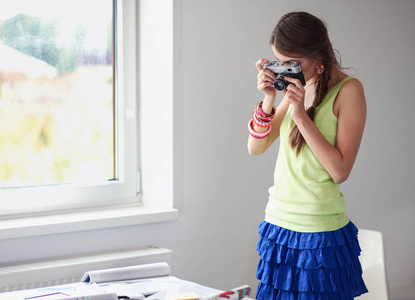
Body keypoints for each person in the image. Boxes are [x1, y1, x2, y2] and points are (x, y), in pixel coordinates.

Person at [248, 11, 368, 299]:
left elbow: (340, 171)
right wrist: (269, 99)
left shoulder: (348, 90)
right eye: (281, 62)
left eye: (293, 63)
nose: (287, 70)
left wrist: (301, 115)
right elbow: (255, 147)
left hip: (320, 232)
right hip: (278, 226)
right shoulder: (298, 86)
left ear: (318, 56)